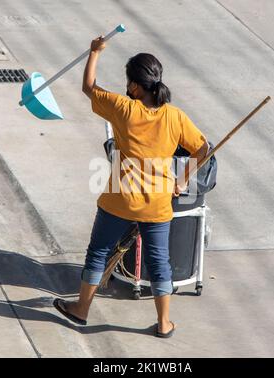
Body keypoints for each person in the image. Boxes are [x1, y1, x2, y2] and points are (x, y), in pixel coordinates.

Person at [54, 36, 209, 338]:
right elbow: (202, 149)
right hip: (157, 202)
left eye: (128, 81)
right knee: (159, 261)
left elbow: (89, 87)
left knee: (98, 251)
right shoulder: (175, 117)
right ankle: (164, 324)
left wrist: (94, 52)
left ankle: (81, 310)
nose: (126, 86)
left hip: (119, 199)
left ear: (136, 86)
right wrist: (182, 179)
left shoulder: (124, 108)